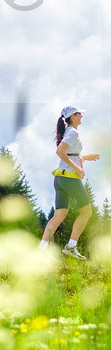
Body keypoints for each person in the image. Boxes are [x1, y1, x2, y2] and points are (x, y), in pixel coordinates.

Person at [39, 106, 100, 259]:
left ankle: (42, 248)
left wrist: (84, 158)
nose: (82, 117)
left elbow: (69, 153)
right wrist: (77, 168)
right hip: (70, 179)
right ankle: (71, 246)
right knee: (86, 212)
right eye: (80, 114)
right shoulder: (73, 132)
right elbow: (60, 151)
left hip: (60, 179)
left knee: (59, 215)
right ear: (73, 116)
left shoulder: (68, 132)